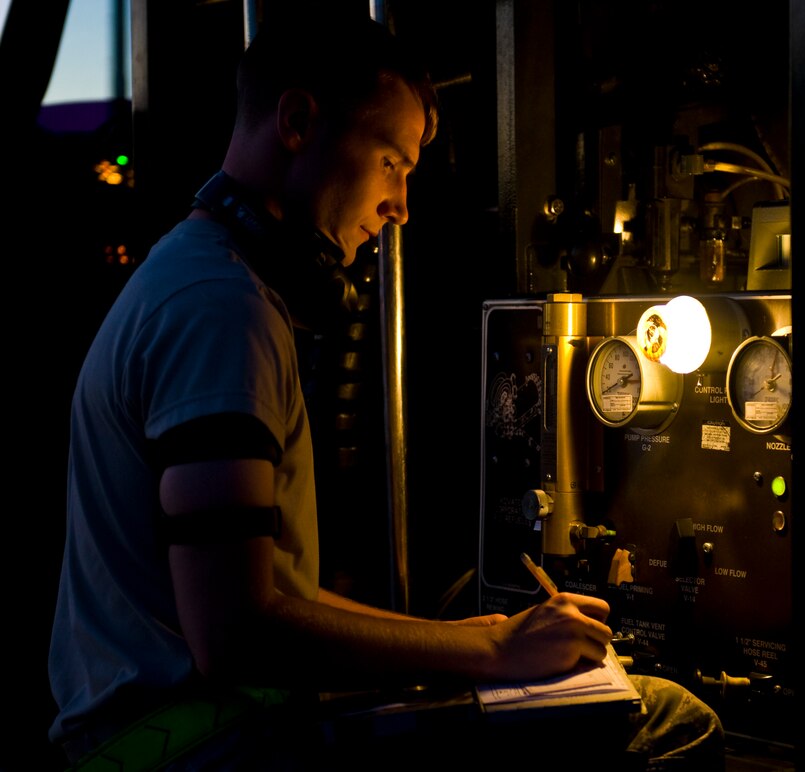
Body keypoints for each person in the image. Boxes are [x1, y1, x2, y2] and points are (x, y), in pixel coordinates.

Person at [48, 2, 726, 769]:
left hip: (171, 729)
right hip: (186, 743)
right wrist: (496, 651)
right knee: (673, 719)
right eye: (392, 163)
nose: (400, 207)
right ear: (299, 122)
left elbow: (275, 593)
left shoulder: (204, 278)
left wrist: (461, 643)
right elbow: (237, 634)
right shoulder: (220, 312)